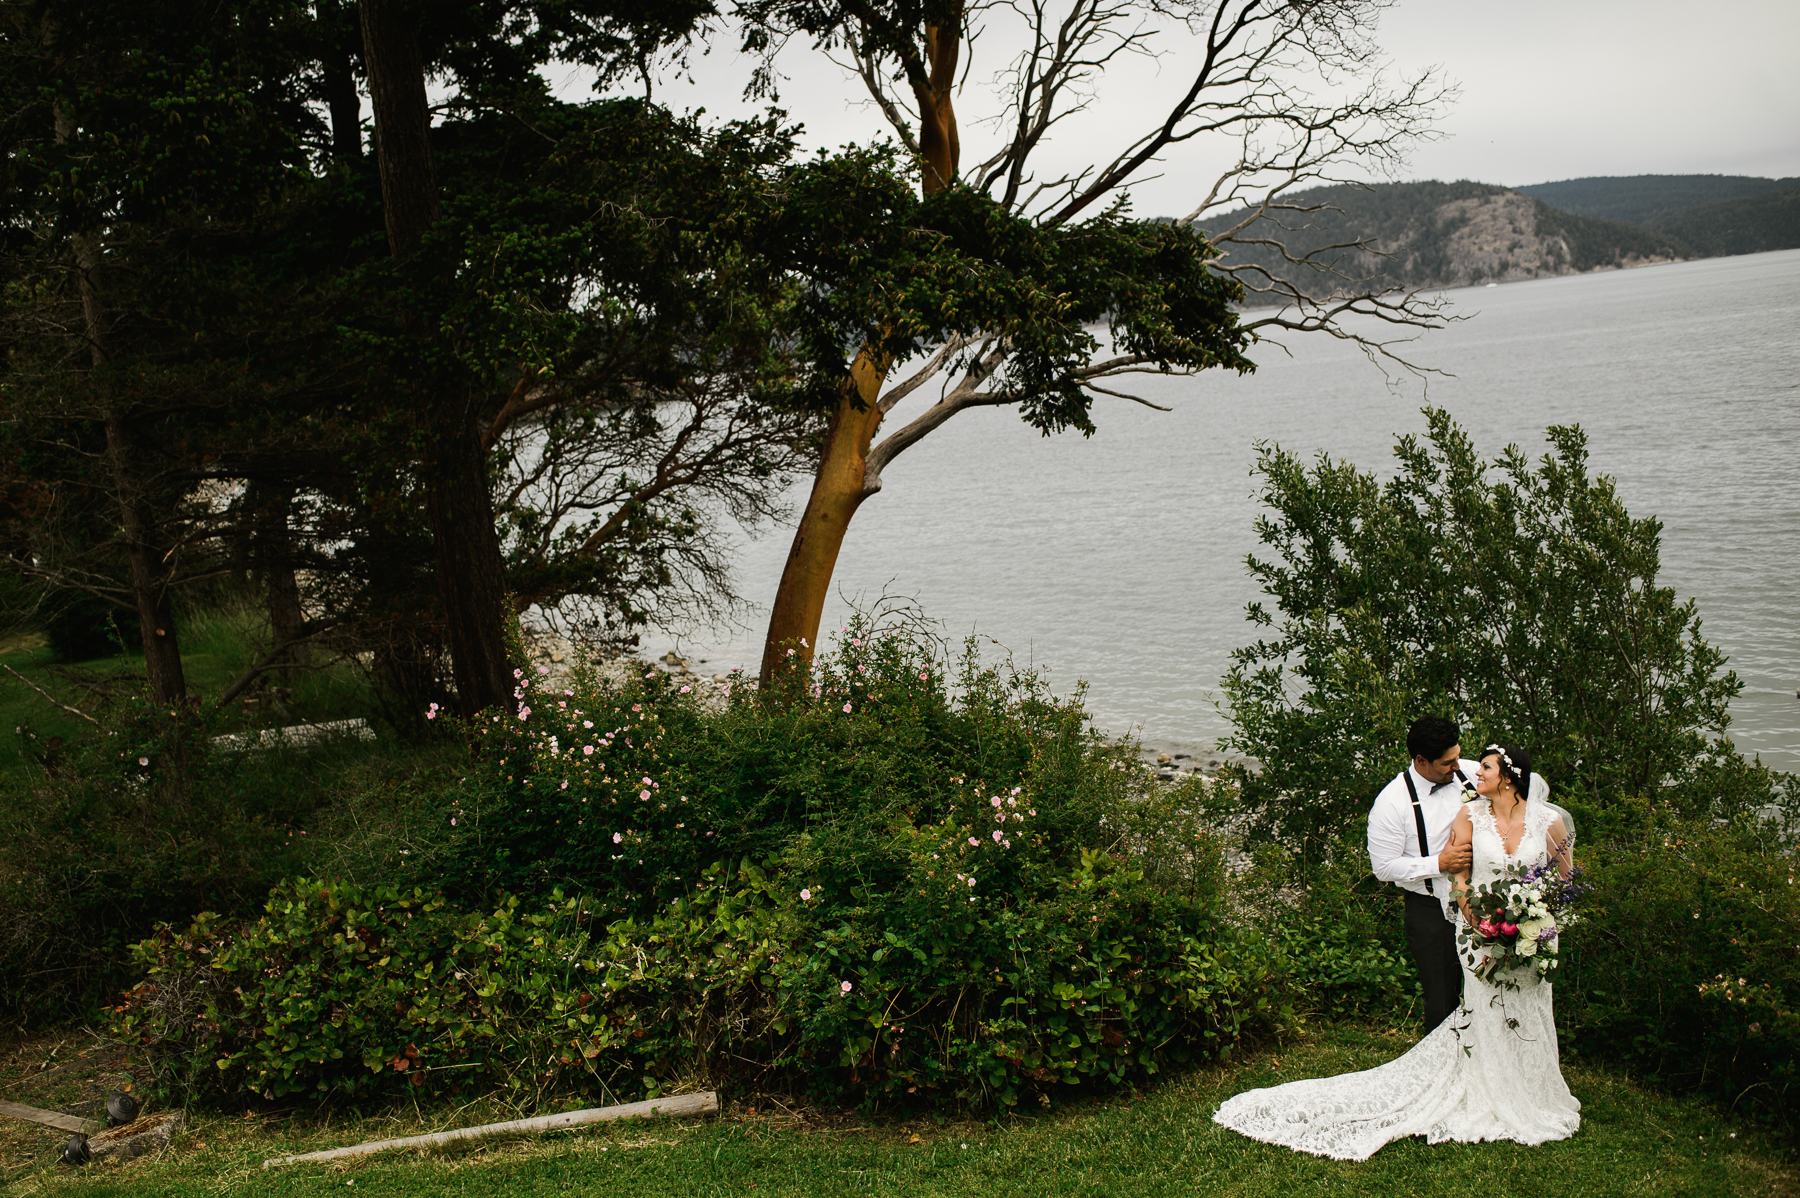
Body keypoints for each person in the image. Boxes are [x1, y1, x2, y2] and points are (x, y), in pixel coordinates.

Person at [1212, 742, 1582, 1160]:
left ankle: (1534, 1091)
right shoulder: (1470, 816)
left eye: (1486, 769)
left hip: (1533, 936)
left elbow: (1565, 880)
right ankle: (1492, 1090)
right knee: (1488, 1010)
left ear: (1510, 778)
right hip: (1479, 933)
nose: (1475, 773)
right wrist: (1478, 922)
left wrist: (1536, 919)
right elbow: (1459, 879)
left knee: (1531, 1006)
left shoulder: (1550, 821)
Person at [1365, 716, 1480, 1030]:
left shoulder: (1470, 772)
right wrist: (1439, 863)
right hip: (1431, 912)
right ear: (1421, 760)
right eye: (1447, 763)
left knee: (1486, 991)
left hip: (1482, 902)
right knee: (1441, 998)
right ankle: (1443, 1068)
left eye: (1457, 757)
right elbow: (1383, 867)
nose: (1457, 767)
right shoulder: (1392, 803)